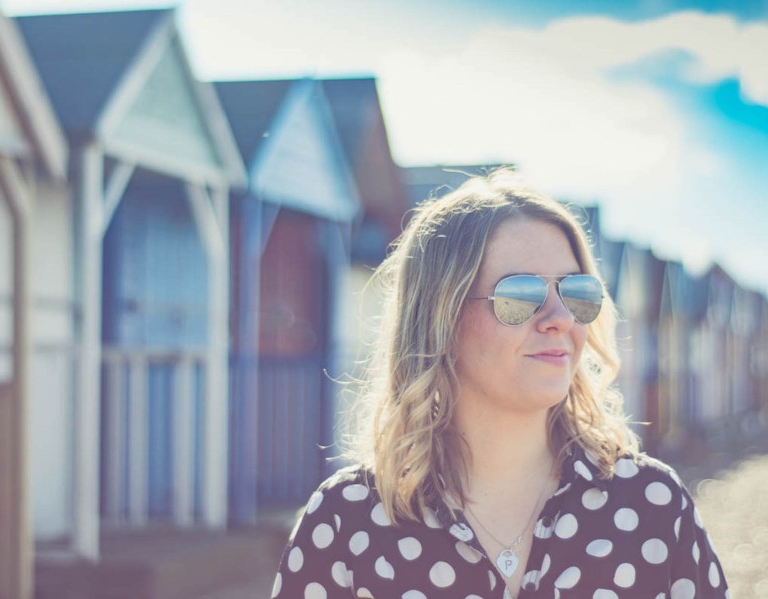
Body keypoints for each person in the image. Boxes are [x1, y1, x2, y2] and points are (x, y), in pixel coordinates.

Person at [270, 169, 728, 598]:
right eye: (520, 294)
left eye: (577, 293)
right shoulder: (347, 522)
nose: (560, 319)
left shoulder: (652, 507)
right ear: (441, 318)